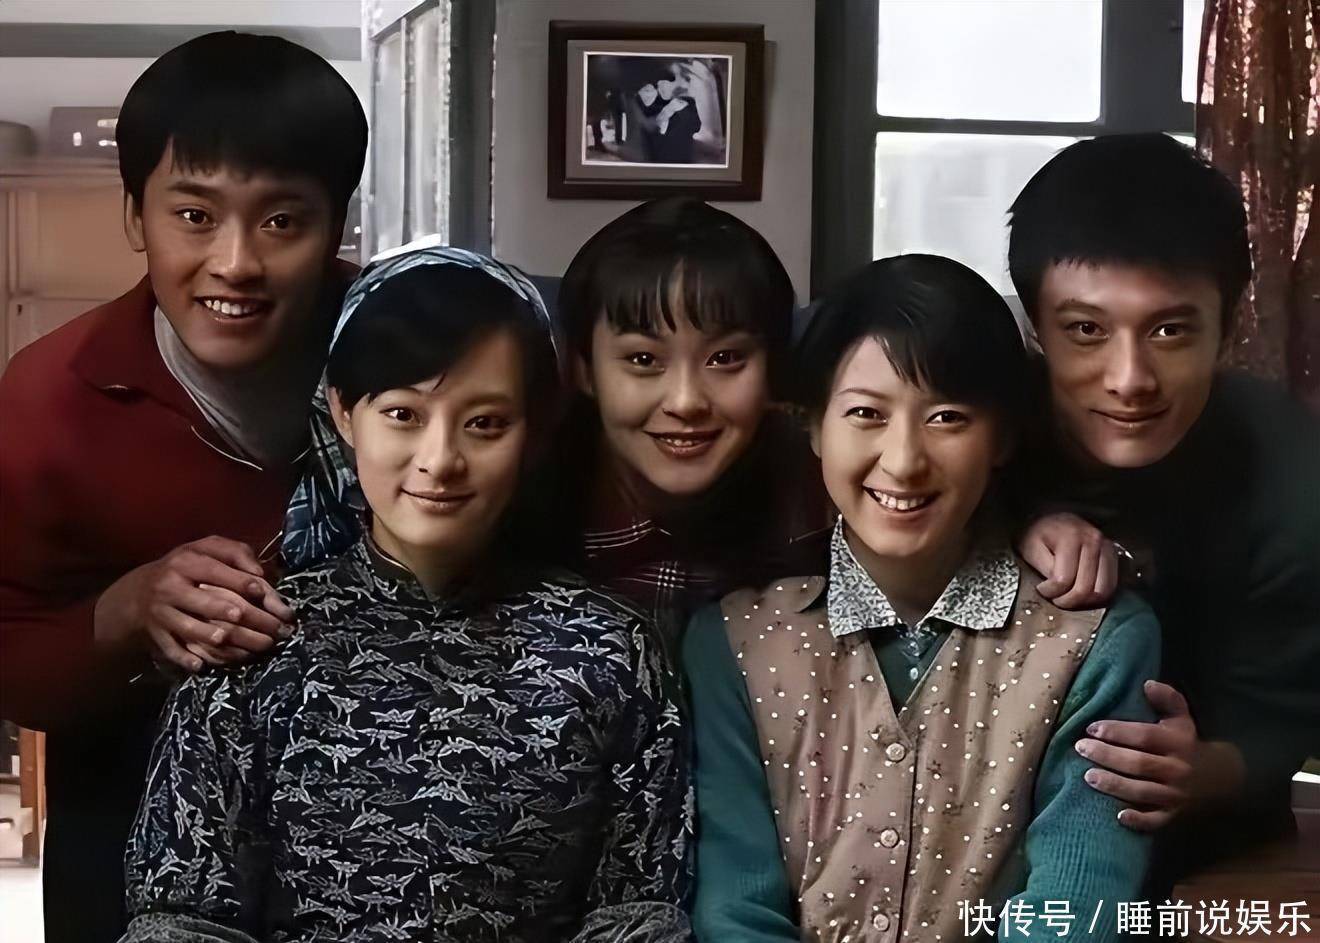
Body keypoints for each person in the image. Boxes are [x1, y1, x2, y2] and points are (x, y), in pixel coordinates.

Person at [121, 243, 692, 943]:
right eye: (402, 414)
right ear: (342, 411)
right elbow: (181, 919)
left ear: (536, 430)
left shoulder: (609, 652)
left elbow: (640, 912)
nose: (440, 459)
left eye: (485, 423)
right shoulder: (253, 643)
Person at [0, 31, 366, 943]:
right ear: (135, 216)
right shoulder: (50, 397)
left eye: (282, 221)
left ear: (339, 223)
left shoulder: (408, 358)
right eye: (195, 215)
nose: (235, 262)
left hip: (382, 809)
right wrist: (128, 612)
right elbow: (12, 659)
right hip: (128, 812)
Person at [685, 255, 1160, 942]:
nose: (904, 459)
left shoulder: (1096, 639)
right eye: (865, 414)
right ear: (813, 425)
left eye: (947, 417)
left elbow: (1077, 906)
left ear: (1002, 437)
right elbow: (736, 908)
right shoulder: (733, 641)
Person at [1008, 133, 1320, 889]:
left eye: (1170, 330)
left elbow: (1284, 715)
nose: (1129, 379)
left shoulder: (1286, 467)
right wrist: (1009, 522)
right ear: (1035, 327)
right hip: (974, 853)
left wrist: (1202, 770)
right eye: (1086, 330)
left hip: (1210, 854)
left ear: (1227, 325)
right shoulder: (979, 423)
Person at [548, 197, 829, 643]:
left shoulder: (824, 490)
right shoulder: (523, 500)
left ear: (772, 369)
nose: (686, 401)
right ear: (583, 370)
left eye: (725, 358)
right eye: (643, 359)